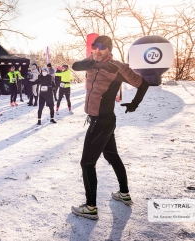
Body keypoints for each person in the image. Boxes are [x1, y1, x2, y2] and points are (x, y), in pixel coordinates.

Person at [70, 35, 149, 220]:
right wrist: (98, 65)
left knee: (87, 163)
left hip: (102, 121)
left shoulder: (118, 68)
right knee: (111, 155)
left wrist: (134, 104)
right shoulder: (91, 61)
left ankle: (90, 207)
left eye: (102, 47)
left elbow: (143, 84)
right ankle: (124, 193)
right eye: (94, 46)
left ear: (109, 49)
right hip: (99, 120)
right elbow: (75, 66)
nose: (97, 50)